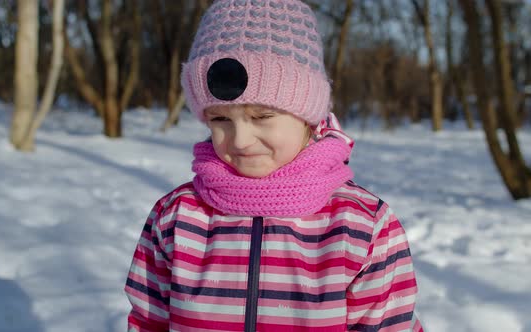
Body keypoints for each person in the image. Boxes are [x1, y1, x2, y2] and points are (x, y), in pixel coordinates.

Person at [124, 0, 424, 331]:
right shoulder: (176, 217)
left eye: (262, 116)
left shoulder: (362, 225)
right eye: (220, 118)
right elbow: (147, 322)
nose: (239, 140)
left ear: (308, 116)